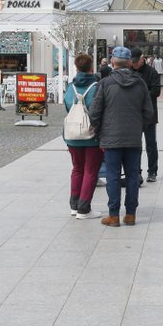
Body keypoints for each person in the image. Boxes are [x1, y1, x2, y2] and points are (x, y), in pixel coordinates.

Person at [88, 46, 154, 227]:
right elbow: (149, 113)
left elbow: (94, 112)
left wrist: (99, 130)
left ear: (112, 62)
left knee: (113, 176)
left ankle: (114, 215)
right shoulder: (140, 83)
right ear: (130, 63)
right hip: (133, 138)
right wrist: (138, 127)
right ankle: (131, 214)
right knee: (132, 176)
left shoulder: (105, 83)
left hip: (111, 138)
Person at [63, 53, 103, 220]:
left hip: (72, 134)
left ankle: (74, 205)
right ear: (91, 67)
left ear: (77, 67)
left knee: (77, 169)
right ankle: (84, 208)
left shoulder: (70, 87)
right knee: (91, 170)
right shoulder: (96, 86)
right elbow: (99, 110)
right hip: (91, 135)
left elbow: (67, 105)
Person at [131, 48, 161, 183]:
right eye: (132, 62)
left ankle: (152, 171)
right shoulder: (129, 71)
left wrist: (139, 93)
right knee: (135, 145)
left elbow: (156, 91)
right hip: (133, 114)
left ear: (142, 58)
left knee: (151, 144)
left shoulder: (151, 72)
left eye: (136, 61)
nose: (134, 64)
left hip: (149, 114)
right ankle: (136, 171)